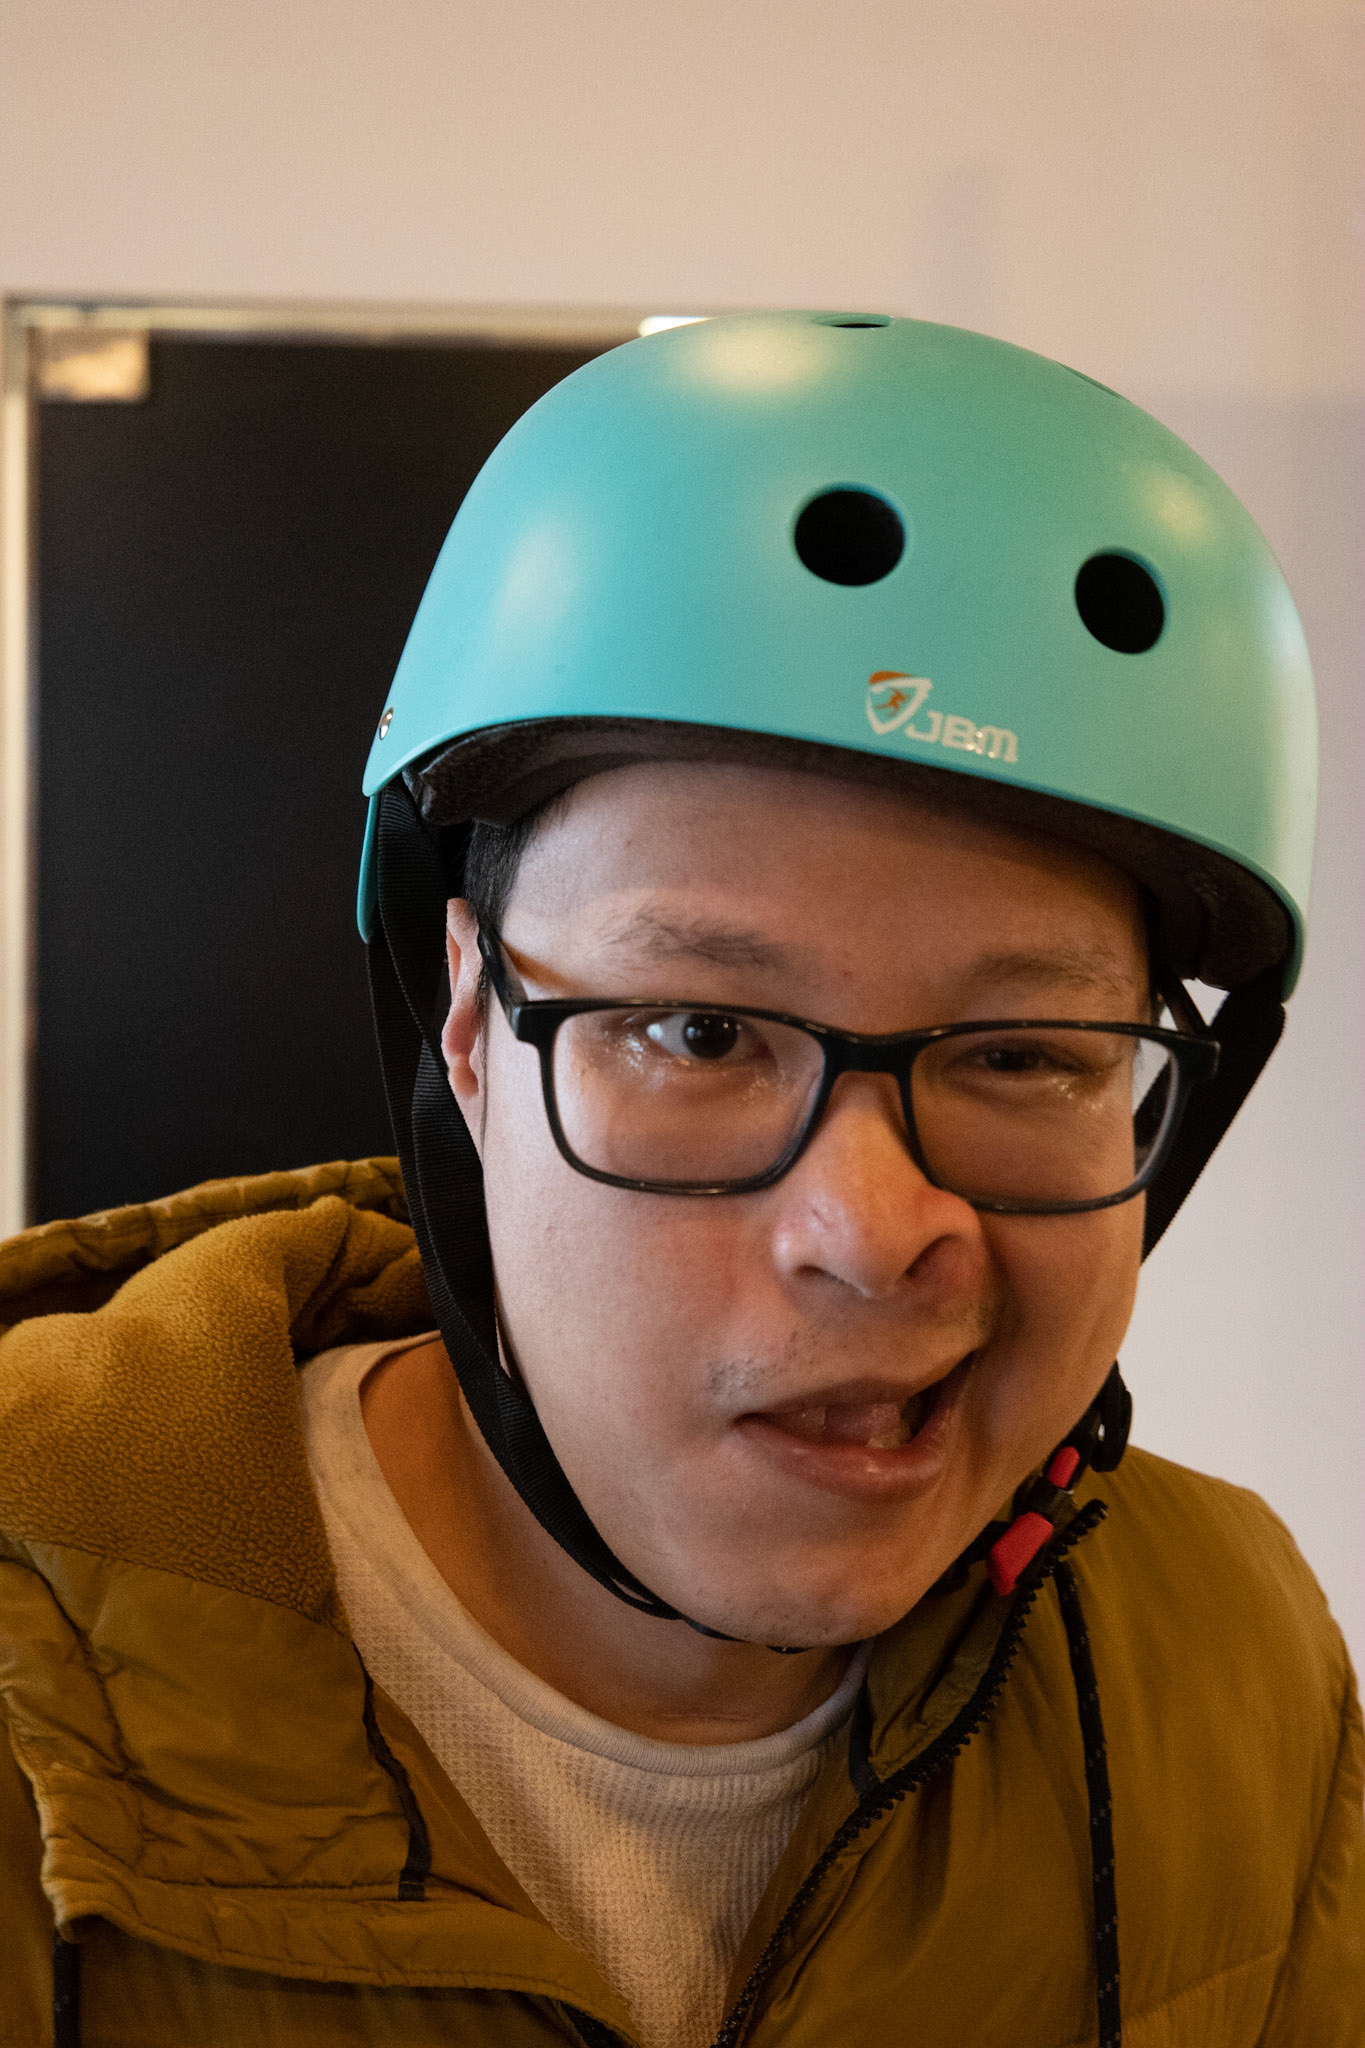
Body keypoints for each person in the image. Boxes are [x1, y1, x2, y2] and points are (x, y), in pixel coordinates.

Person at [0, 313, 1360, 2048]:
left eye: (1025, 1055)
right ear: (469, 1029)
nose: (871, 1234)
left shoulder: (1229, 1658)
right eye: (700, 1031)